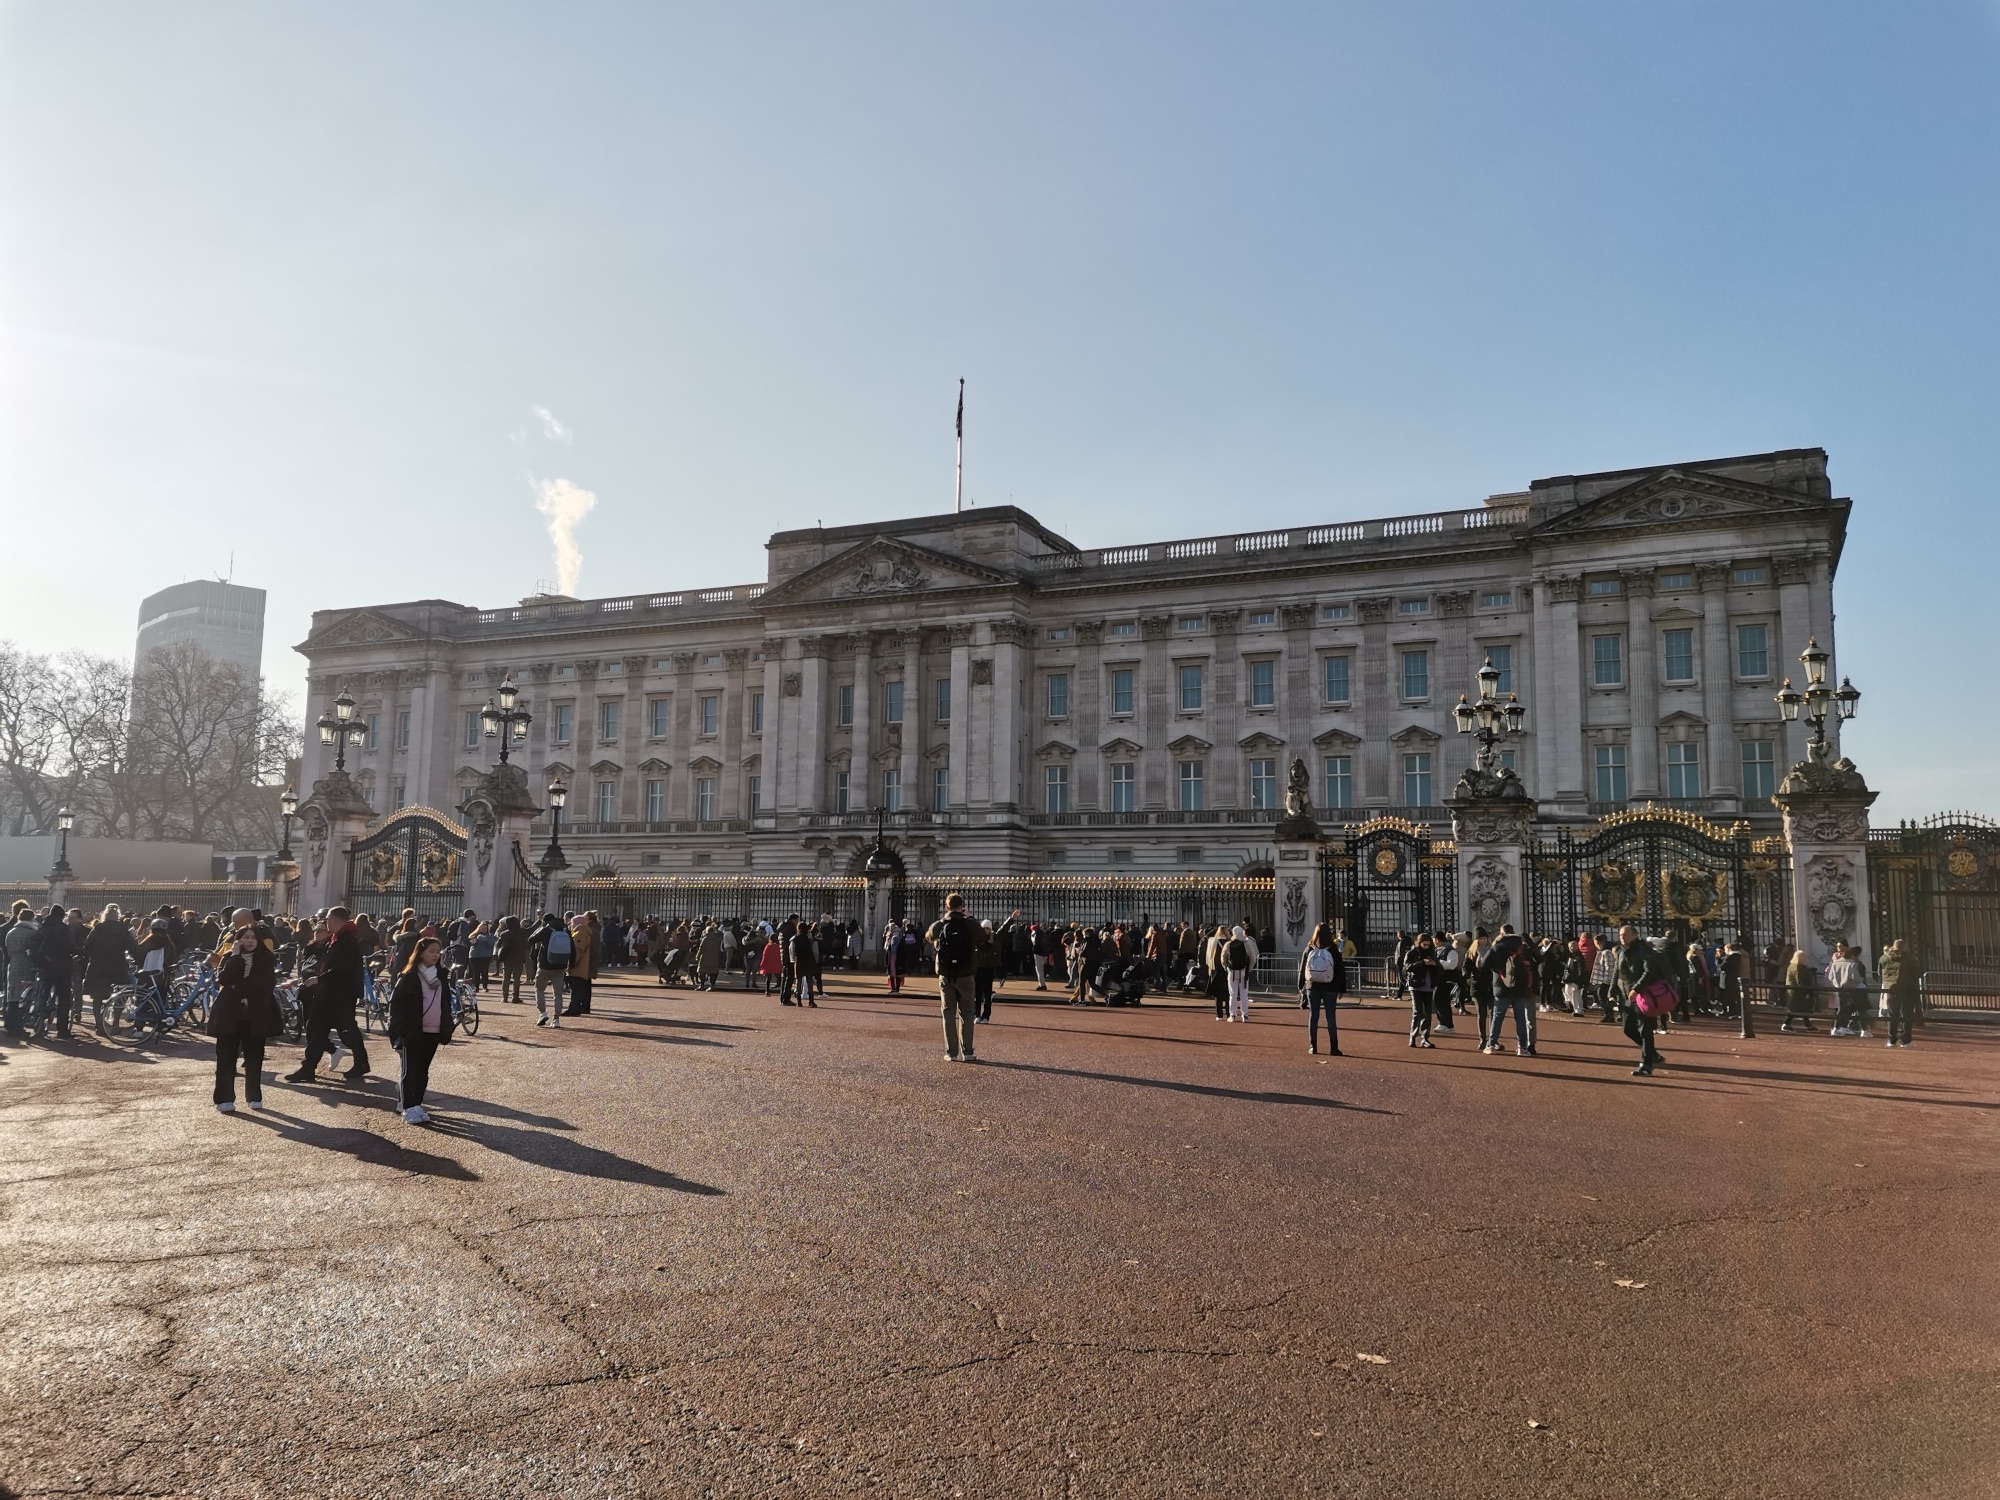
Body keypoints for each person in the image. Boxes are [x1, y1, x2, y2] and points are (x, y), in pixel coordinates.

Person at [289, 909, 370, 1084]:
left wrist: (318, 979)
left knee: (346, 1030)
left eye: (328, 920)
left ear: (335, 919)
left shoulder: (346, 940)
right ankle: (308, 1067)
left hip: (339, 993)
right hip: (329, 992)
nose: (326, 923)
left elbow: (342, 969)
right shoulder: (338, 938)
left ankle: (361, 1062)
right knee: (316, 1028)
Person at [211, 922, 281, 1113]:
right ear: (238, 940)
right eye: (245, 937)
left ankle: (254, 1096)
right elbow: (224, 979)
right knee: (226, 1058)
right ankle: (224, 1098)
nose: (249, 941)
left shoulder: (266, 958)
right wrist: (234, 956)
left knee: (254, 1057)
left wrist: (239, 989)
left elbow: (265, 984)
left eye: (252, 937)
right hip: (230, 1013)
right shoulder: (229, 957)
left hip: (256, 1014)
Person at [387, 936, 455, 1124]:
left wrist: (447, 1025)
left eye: (437, 951)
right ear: (421, 953)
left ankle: (417, 1104)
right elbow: (397, 1005)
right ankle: (408, 1107)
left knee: (423, 1071)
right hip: (413, 1030)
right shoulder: (409, 977)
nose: (435, 955)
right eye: (431, 951)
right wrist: (401, 1029)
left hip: (434, 1030)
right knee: (410, 1071)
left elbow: (446, 1003)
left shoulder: (441, 976)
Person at [927, 892, 980, 1062]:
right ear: (962, 906)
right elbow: (982, 938)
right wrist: (969, 919)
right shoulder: (969, 924)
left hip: (946, 974)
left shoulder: (939, 925)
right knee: (968, 1013)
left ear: (947, 906)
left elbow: (928, 937)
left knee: (948, 1013)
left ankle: (951, 1052)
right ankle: (968, 1052)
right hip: (966, 974)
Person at [1614, 924, 1666, 1077]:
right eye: (1620, 935)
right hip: (1626, 996)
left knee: (1645, 1031)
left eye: (1625, 935)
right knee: (1628, 1029)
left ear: (1634, 935)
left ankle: (1646, 1064)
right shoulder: (1621, 951)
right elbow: (1617, 972)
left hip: (1643, 995)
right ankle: (1652, 1053)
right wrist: (1612, 990)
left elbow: (1650, 970)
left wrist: (1637, 988)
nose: (1621, 938)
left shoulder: (1644, 950)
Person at [83, 904, 141, 1035]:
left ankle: (99, 1025)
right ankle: (115, 1023)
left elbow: (87, 947)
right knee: (120, 996)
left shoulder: (97, 928)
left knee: (97, 998)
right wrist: (138, 959)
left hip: (98, 966)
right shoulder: (123, 929)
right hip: (117, 965)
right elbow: (132, 947)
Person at [1482, 924, 1533, 1057]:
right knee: (1520, 1019)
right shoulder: (1523, 947)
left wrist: (1497, 970)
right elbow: (1536, 960)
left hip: (1501, 987)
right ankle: (1522, 1047)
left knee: (1497, 1018)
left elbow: (1483, 964)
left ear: (1502, 934)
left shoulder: (1497, 946)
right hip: (1520, 988)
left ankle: (1491, 1045)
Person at [1297, 920, 1345, 1056]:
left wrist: (1301, 987)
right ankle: (1334, 1047)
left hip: (1312, 986)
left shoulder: (1309, 948)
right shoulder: (1333, 949)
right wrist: (1342, 988)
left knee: (1313, 1016)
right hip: (1330, 986)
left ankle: (1313, 1046)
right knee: (1331, 1017)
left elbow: (1302, 969)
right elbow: (1340, 970)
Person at [532, 912, 573, 1027]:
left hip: (545, 965)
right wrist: (570, 964)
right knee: (558, 993)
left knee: (539, 989)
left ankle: (542, 1013)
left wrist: (540, 929)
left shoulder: (546, 930)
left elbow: (531, 939)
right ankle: (556, 1019)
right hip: (561, 966)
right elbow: (572, 949)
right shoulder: (566, 931)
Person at [1879, 937, 1918, 1047]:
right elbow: (1916, 973)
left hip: (1891, 988)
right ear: (1904, 947)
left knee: (1892, 1015)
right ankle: (1906, 1040)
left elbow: (1879, 972)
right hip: (1907, 989)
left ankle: (1891, 1040)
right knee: (1907, 1015)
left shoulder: (1884, 958)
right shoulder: (1908, 959)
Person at [1403, 932, 1440, 1047]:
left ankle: (1425, 1038)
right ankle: (1412, 1037)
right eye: (1424, 944)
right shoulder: (1412, 953)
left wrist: (1435, 964)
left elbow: (1440, 968)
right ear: (1419, 943)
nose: (1426, 947)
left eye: (1428, 944)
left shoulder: (1432, 952)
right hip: (1416, 985)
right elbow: (1406, 968)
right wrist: (1422, 963)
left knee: (1427, 1013)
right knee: (1418, 1011)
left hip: (1429, 986)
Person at [1826, 942, 1868, 1037]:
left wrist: (1836, 983)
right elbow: (1855, 977)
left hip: (1839, 988)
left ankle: (1836, 1028)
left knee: (1841, 1009)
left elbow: (1830, 976)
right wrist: (1861, 980)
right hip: (1851, 988)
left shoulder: (1835, 963)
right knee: (1858, 1008)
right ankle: (1863, 1030)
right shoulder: (1852, 964)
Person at [1221, 923, 1258, 1022]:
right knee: (1244, 994)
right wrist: (1249, 969)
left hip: (1232, 972)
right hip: (1243, 972)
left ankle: (1232, 1015)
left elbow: (1223, 958)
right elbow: (1253, 958)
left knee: (1232, 994)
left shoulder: (1228, 944)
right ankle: (1245, 1015)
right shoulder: (1247, 943)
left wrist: (1226, 968)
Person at [1779, 945, 1818, 1034]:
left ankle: (1808, 1025)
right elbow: (1800, 980)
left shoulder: (1792, 966)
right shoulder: (1798, 967)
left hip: (1795, 991)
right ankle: (1786, 1024)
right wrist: (1807, 992)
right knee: (1795, 1009)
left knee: (1800, 1009)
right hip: (1798, 992)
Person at [494, 915, 528, 1004]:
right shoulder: (522, 932)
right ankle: (515, 996)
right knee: (517, 979)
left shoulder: (505, 933)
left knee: (506, 978)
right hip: (519, 958)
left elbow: (498, 944)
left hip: (507, 958)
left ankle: (505, 997)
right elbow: (531, 930)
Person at [789, 918, 820, 1006]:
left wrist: (793, 960)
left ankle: (799, 1001)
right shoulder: (809, 937)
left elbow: (792, 951)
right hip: (809, 960)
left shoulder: (794, 938)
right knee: (809, 981)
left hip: (799, 961)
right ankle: (811, 1000)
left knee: (799, 981)